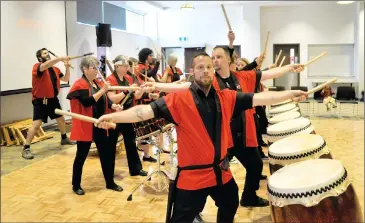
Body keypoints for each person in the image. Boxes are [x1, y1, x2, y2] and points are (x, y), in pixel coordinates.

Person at [96, 52, 308, 223]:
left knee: (230, 202)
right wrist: (113, 116)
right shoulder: (178, 100)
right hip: (192, 178)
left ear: (213, 72)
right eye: (200, 67)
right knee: (181, 218)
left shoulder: (227, 97)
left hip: (220, 173)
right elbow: (142, 112)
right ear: (192, 72)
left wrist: (289, 94)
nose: (205, 70)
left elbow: (260, 98)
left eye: (209, 67)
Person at [66, 56, 122, 195]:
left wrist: (113, 105)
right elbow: (87, 102)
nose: (96, 70)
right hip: (87, 125)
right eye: (93, 68)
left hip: (100, 124)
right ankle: (76, 185)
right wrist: (103, 90)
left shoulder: (97, 83)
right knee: (81, 156)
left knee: (107, 154)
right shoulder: (80, 84)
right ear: (85, 69)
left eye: (97, 67)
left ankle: (110, 182)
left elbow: (103, 101)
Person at [22, 48, 75, 160]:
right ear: (40, 57)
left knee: (61, 119)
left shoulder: (55, 69)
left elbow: (66, 79)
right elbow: (44, 66)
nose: (47, 54)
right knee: (36, 125)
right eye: (45, 53)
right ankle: (26, 148)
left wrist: (67, 67)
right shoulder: (38, 66)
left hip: (52, 99)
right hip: (40, 100)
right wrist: (60, 58)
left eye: (47, 52)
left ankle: (64, 138)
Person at [105, 55, 148, 176]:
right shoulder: (110, 80)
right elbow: (112, 98)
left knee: (130, 142)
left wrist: (142, 89)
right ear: (117, 66)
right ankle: (109, 174)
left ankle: (135, 169)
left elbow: (137, 96)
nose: (127, 68)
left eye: (127, 66)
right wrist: (126, 91)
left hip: (127, 116)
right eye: (124, 66)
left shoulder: (128, 79)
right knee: (111, 145)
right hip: (114, 116)